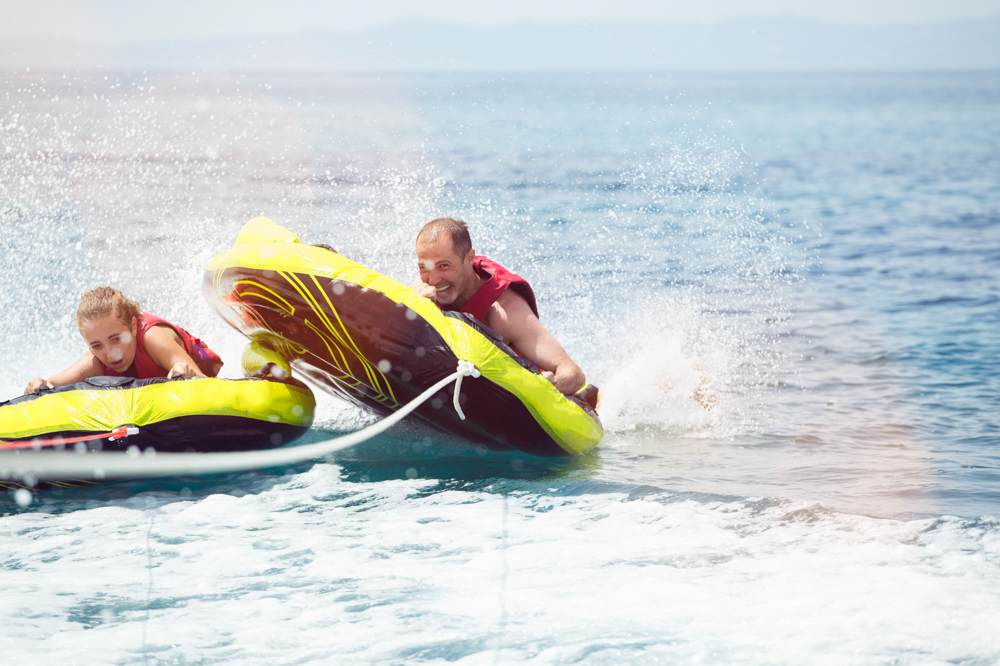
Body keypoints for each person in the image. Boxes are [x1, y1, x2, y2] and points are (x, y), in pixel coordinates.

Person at [411, 217, 586, 396]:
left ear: (469, 258)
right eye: (424, 268)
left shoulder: (505, 312)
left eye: (444, 266)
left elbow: (574, 373)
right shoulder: (427, 287)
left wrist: (553, 386)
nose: (433, 280)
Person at [23, 287, 223, 394]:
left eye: (116, 339)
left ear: (134, 327)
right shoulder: (97, 361)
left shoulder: (152, 338)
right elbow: (49, 386)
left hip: (204, 367)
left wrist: (187, 372)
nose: (110, 354)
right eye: (96, 345)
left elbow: (206, 386)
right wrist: (37, 383)